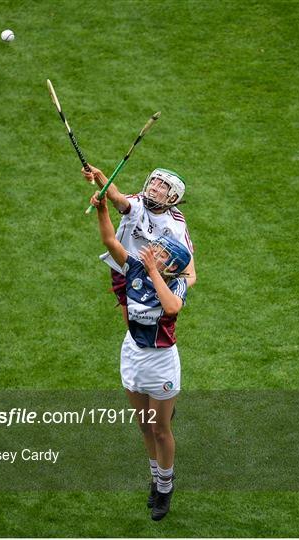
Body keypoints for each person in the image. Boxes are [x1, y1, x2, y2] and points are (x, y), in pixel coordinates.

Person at [90, 191, 191, 521]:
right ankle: (155, 477)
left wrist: (153, 271)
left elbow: (172, 307)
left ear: (171, 264)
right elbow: (109, 240)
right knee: (144, 425)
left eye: (161, 253)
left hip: (161, 362)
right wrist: (103, 207)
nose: (153, 252)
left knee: (162, 429)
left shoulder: (176, 285)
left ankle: (165, 486)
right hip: (133, 355)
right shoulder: (134, 268)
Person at [82, 165, 196, 325]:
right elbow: (116, 197)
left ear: (172, 197)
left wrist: (168, 288)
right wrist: (99, 175)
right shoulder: (137, 202)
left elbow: (190, 273)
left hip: (157, 276)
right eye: (153, 182)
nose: (153, 188)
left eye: (162, 186)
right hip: (125, 268)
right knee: (133, 324)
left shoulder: (176, 222)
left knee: (158, 328)